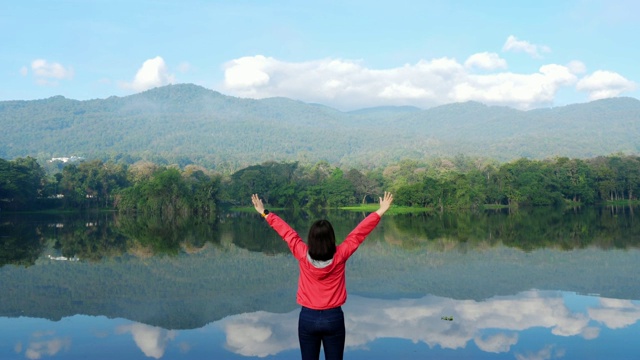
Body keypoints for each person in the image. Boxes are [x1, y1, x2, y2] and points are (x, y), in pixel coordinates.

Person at [251, 192, 394, 360]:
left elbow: (287, 233)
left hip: (308, 317)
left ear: (311, 239)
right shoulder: (341, 254)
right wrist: (380, 211)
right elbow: (358, 234)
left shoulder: (302, 253)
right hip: (333, 317)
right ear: (331, 238)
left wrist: (265, 213)